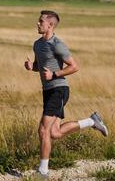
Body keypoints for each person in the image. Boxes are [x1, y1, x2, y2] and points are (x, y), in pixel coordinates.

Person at [24, 10, 108, 179]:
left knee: (43, 130)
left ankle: (43, 172)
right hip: (48, 91)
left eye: (41, 21)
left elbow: (74, 66)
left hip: (59, 90)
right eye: (38, 21)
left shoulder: (57, 44)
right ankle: (92, 121)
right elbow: (40, 67)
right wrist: (31, 66)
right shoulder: (37, 44)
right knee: (55, 133)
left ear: (51, 25)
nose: (37, 24)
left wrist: (54, 75)